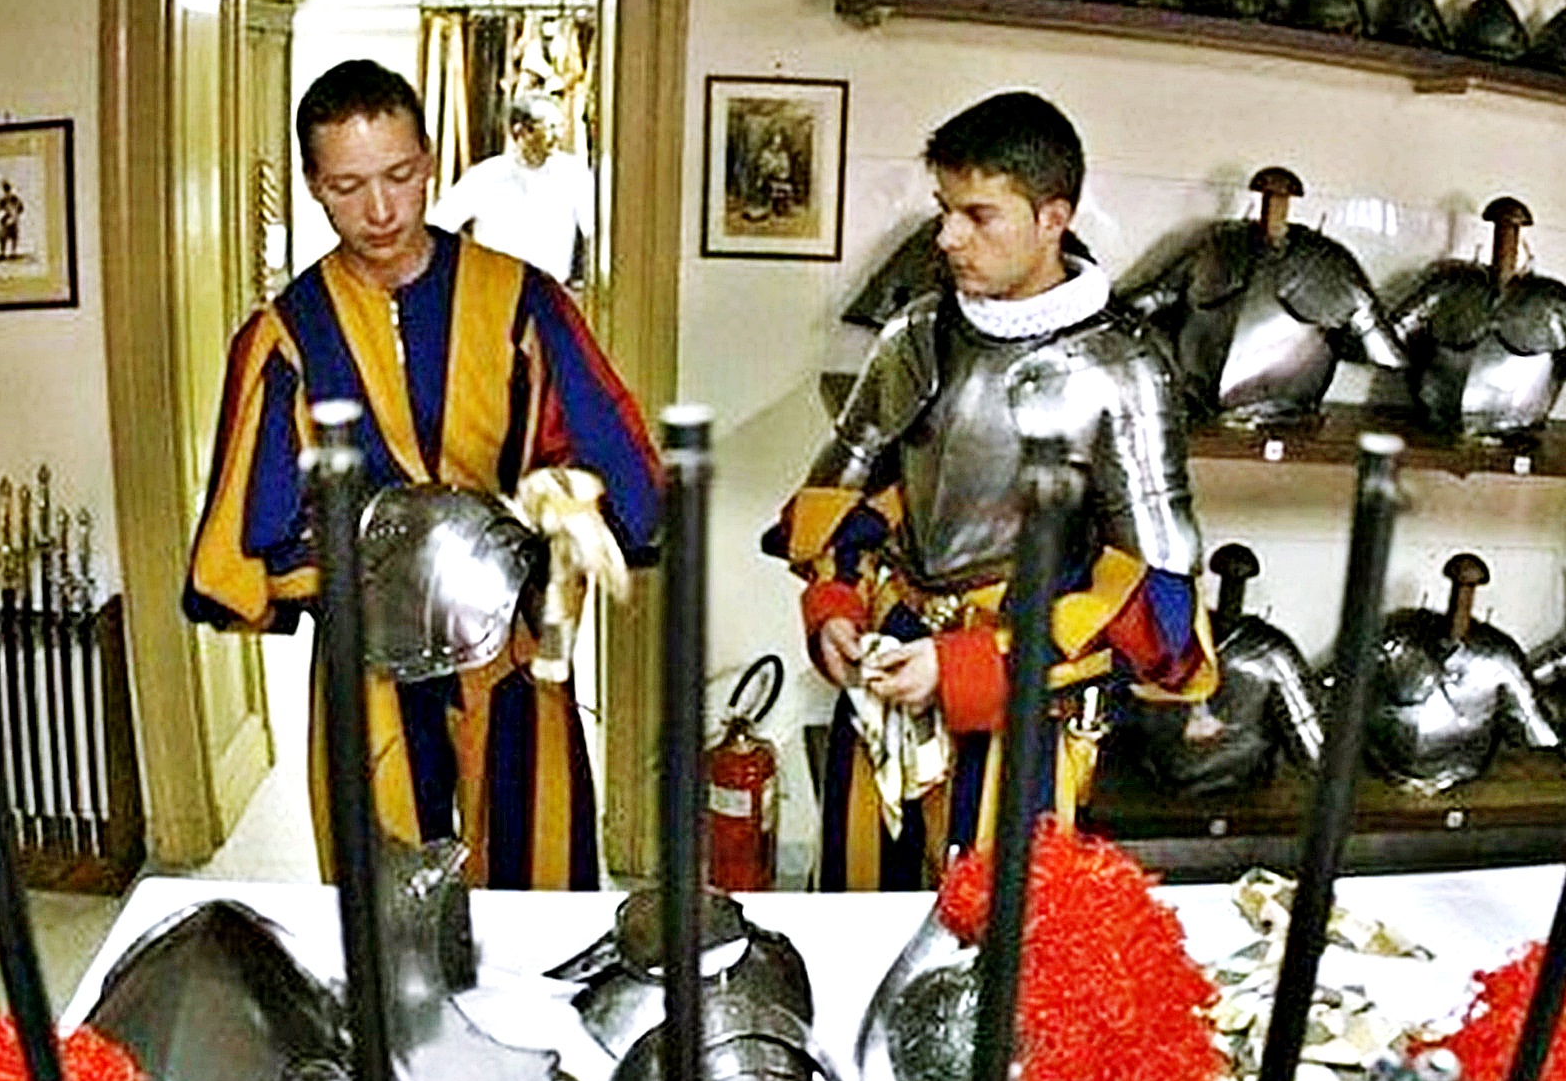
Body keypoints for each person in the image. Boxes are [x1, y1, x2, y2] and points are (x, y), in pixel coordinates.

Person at [185, 59, 659, 888]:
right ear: (313, 185)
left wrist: (556, 521)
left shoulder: (523, 300)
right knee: (385, 887)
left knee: (534, 873)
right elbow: (251, 533)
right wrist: (350, 563)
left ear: (431, 161)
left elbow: (612, 469)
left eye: (400, 175)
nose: (380, 210)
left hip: (512, 630)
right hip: (366, 641)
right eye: (347, 186)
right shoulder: (286, 334)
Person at [763, 90, 1217, 890]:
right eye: (944, 209)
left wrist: (974, 665)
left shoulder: (1121, 369)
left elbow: (1157, 599)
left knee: (993, 927)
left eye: (978, 215)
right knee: (856, 895)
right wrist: (832, 604)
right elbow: (841, 495)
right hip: (887, 663)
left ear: (1052, 218)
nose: (947, 237)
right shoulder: (916, 334)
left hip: (1021, 691)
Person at [423, 92, 595, 285]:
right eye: (550, 127)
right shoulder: (485, 176)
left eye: (560, 127)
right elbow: (439, 226)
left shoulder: (574, 174)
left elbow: (595, 233)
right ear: (520, 131)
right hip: (495, 289)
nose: (558, 135)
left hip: (551, 289)